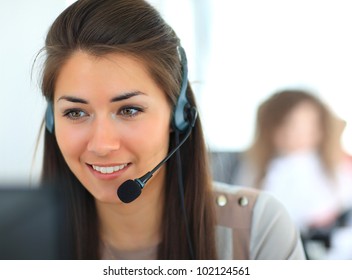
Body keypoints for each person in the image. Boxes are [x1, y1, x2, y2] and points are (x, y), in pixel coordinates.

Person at [37, 0, 305, 260]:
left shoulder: (258, 230)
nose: (101, 144)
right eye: (76, 112)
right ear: (52, 120)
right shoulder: (21, 241)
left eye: (129, 110)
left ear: (179, 114)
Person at [212, 89, 352, 258]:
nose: (302, 133)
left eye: (311, 125)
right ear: (272, 127)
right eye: (291, 125)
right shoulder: (255, 168)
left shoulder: (335, 168)